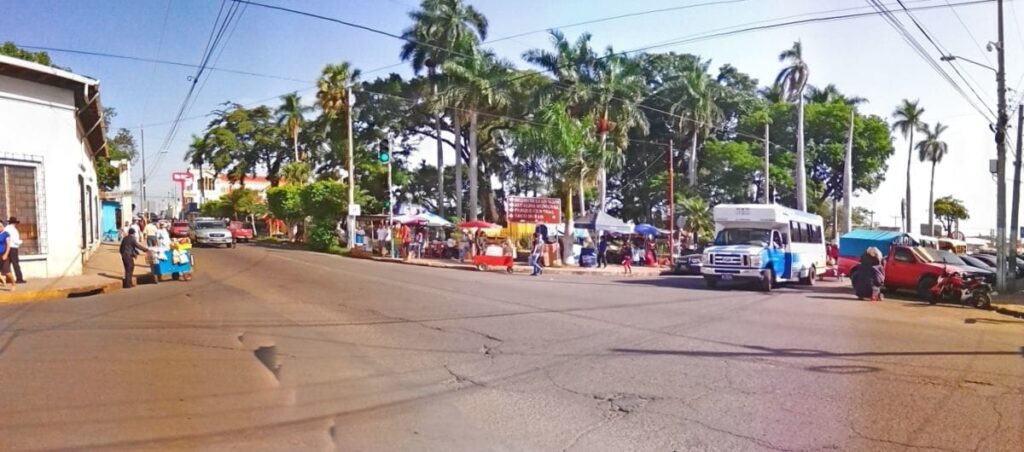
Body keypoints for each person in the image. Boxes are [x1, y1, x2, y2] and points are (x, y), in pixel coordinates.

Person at [6, 217, 24, 284]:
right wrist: (21, 241)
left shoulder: (7, 228)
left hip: (8, 248)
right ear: (14, 223)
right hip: (13, 248)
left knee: (7, 264)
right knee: (15, 263)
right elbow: (15, 240)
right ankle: (19, 278)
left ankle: (7, 279)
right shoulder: (13, 230)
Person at [0, 222, 14, 291]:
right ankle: (2, 279)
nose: (0, 227)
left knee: (8, 273)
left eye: (1, 226)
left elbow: (8, 245)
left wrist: (6, 254)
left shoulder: (6, 234)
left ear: (3, 226)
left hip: (3, 254)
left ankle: (13, 284)